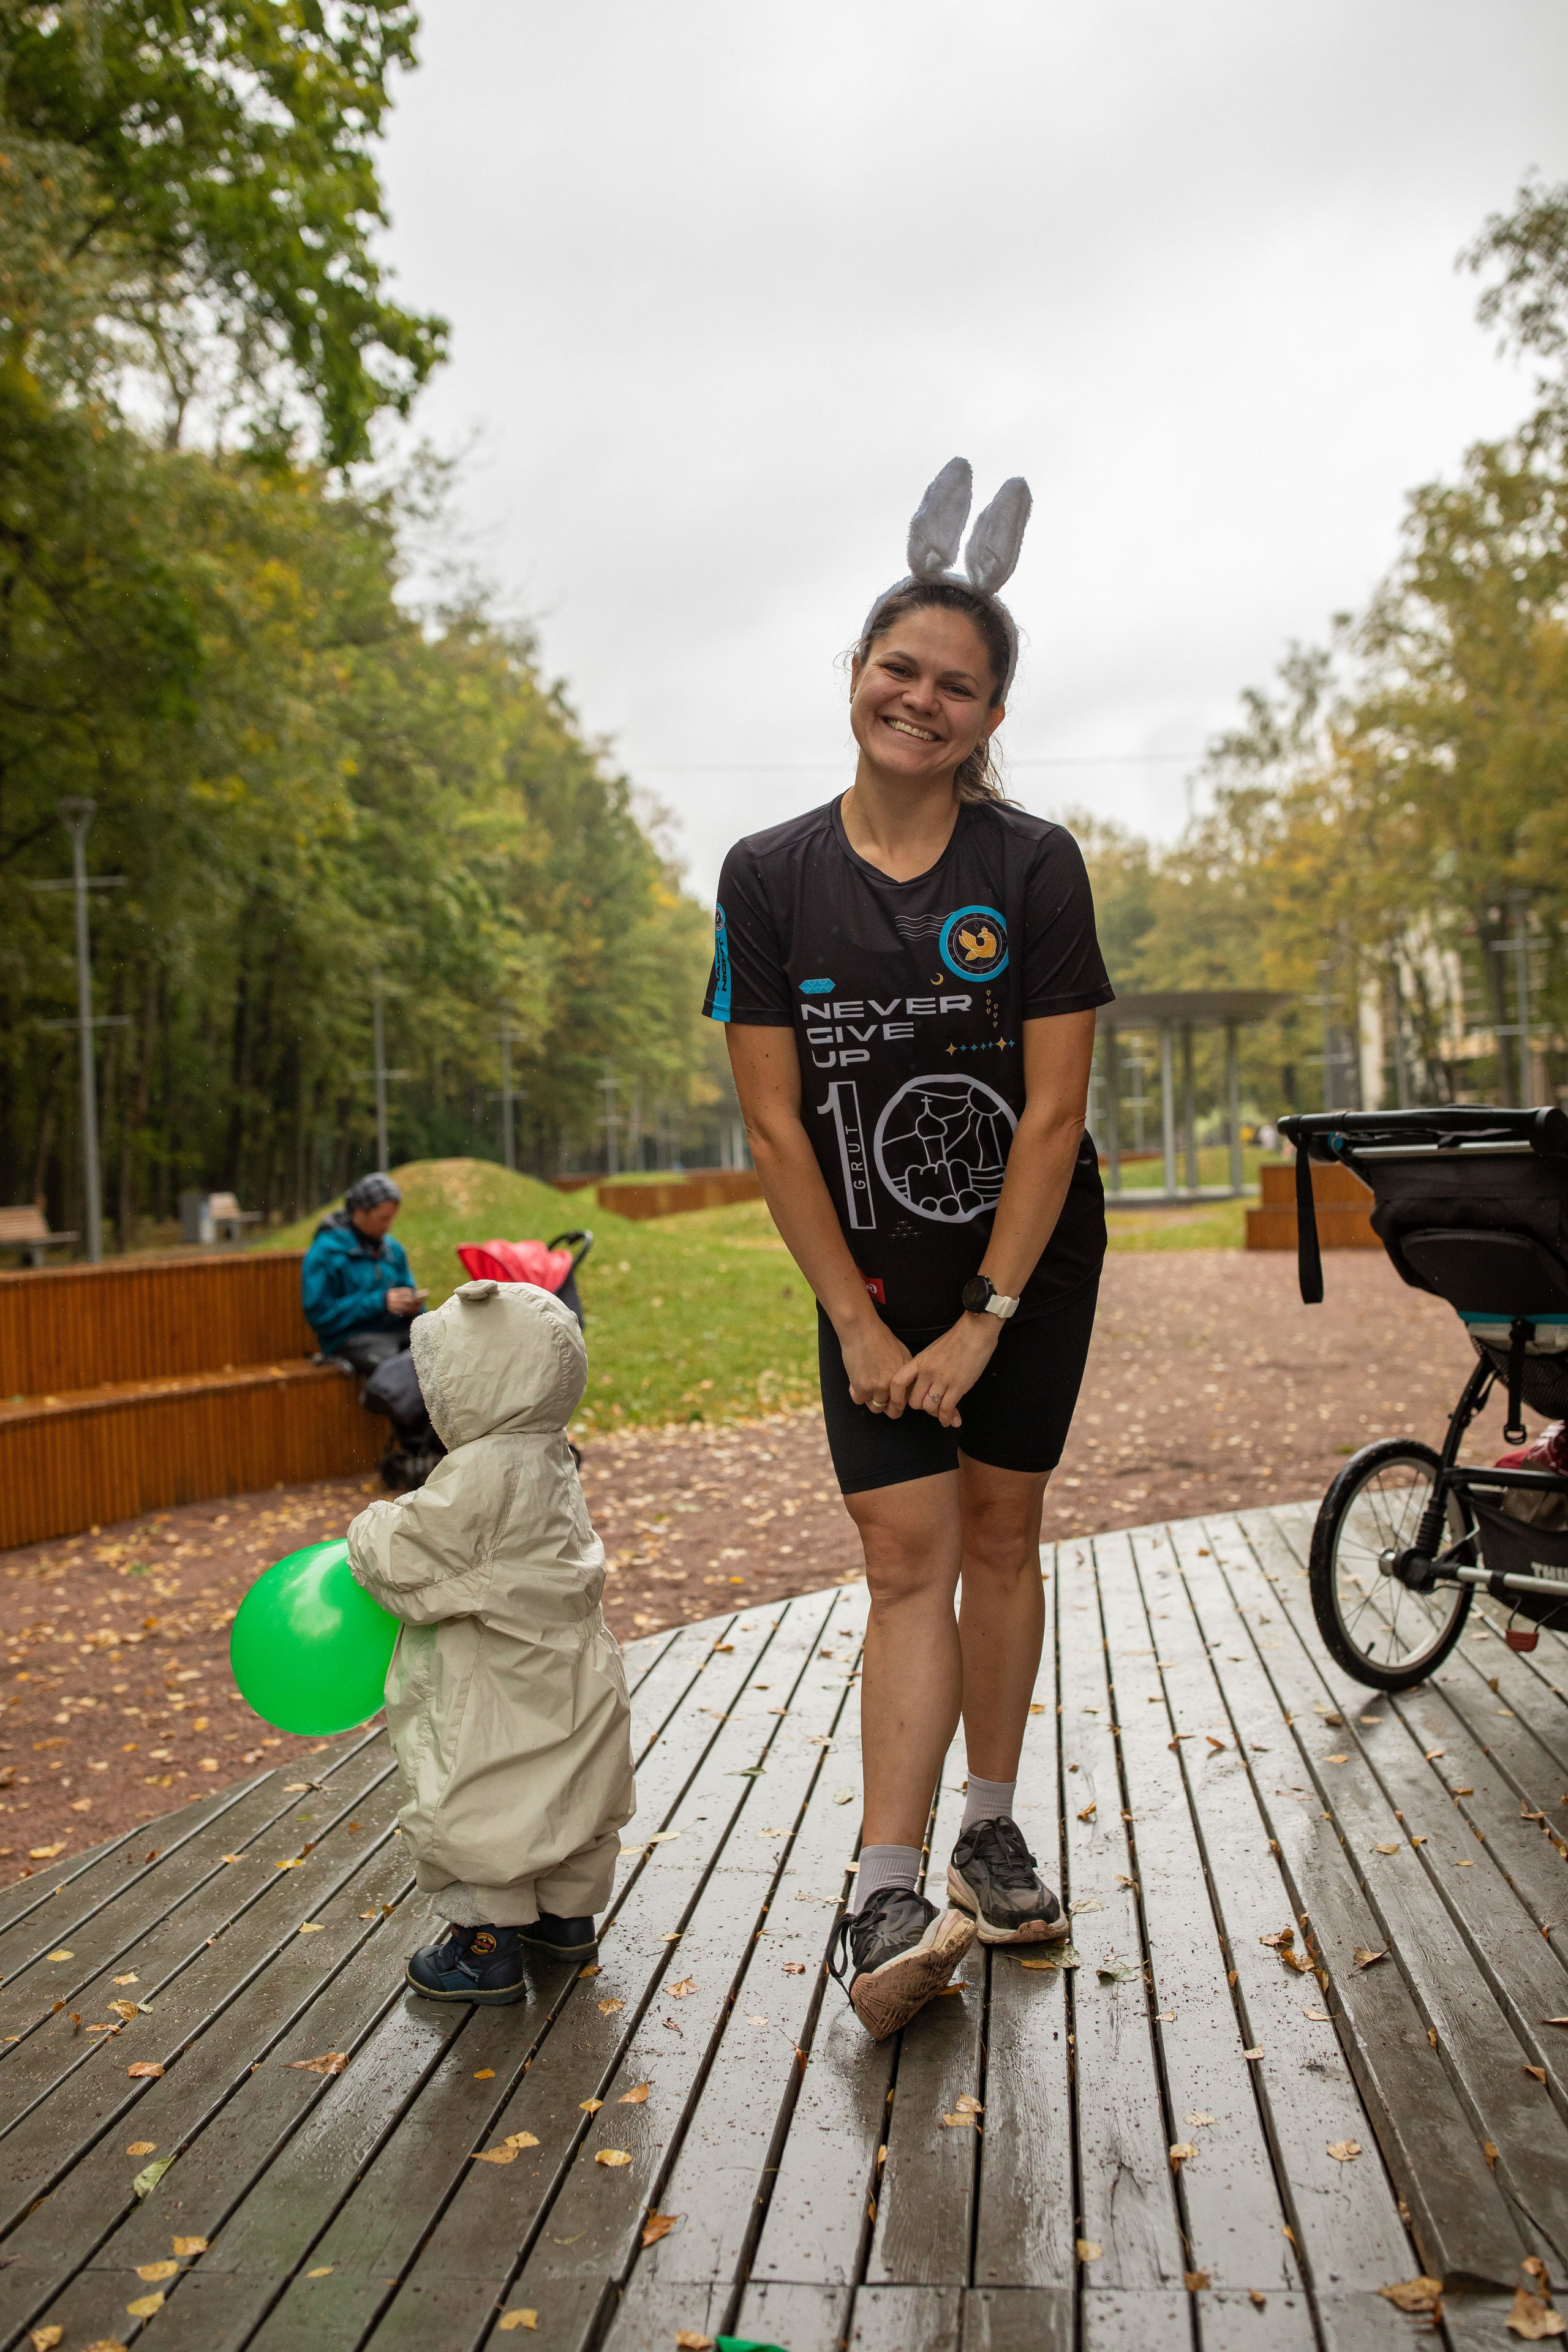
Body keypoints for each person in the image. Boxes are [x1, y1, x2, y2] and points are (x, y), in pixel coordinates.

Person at [706, 460, 1112, 2040]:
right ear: (855, 675)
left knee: (999, 1538)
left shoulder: (1031, 870)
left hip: (1022, 1260)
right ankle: (887, 1881)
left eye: (956, 683)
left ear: (990, 715)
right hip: (866, 1280)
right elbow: (776, 1131)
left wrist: (986, 1317)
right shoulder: (765, 875)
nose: (920, 699)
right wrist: (870, 1333)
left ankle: (988, 1824)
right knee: (900, 1559)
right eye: (899, 669)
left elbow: (1051, 1109)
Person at [348, 1277, 636, 2002]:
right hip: (570, 1666)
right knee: (566, 1784)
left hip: (498, 1677)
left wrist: (367, 1527)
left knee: (487, 1794)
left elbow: (408, 1559)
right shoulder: (549, 1450)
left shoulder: (480, 1470)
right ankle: (564, 1918)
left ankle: (484, 1945)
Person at [300, 1172, 426, 1371]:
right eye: (383, 1219)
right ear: (359, 1213)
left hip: (397, 1332)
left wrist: (412, 1305)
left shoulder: (393, 1250)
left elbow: (407, 1290)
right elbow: (321, 1315)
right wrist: (381, 1302)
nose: (388, 1227)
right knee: (403, 1372)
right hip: (349, 1339)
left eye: (391, 1219)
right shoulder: (325, 1253)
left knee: (437, 1356)